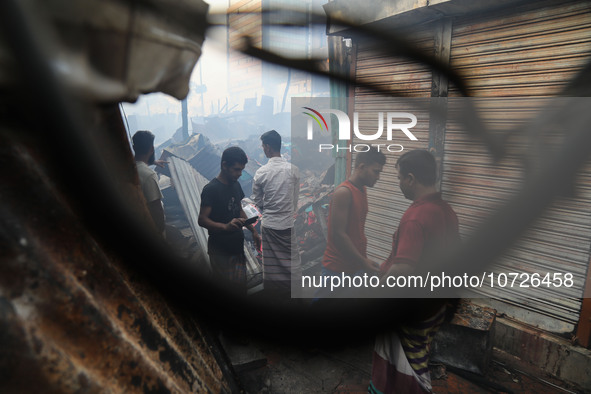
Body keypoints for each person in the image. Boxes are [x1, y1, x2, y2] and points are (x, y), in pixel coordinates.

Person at [370, 149, 460, 394]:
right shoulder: (446, 210)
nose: (399, 184)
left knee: (411, 369)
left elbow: (403, 270)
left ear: (411, 178)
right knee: (417, 358)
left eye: (400, 178)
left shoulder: (415, 217)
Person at [317, 147, 386, 297]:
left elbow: (355, 231)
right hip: (337, 269)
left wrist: (363, 261)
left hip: (355, 267)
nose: (378, 177)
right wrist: (363, 261)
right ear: (361, 167)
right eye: (376, 171)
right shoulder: (344, 192)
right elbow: (338, 234)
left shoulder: (361, 189)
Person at [198, 146, 262, 293]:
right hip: (221, 252)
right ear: (224, 165)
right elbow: (202, 220)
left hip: (237, 249)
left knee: (240, 288)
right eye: (236, 169)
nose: (240, 174)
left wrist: (253, 232)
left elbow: (239, 210)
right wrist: (225, 227)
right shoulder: (211, 189)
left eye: (241, 169)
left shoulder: (235, 184)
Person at [251, 130, 300, 299]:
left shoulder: (261, 173)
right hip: (287, 224)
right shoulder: (293, 170)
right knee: (291, 262)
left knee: (272, 268)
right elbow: (294, 200)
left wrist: (270, 207)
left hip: (270, 225)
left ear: (268, 148)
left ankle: (275, 298)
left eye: (263, 146)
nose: (263, 149)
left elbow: (258, 202)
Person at [132, 130, 166, 236]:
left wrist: (151, 162)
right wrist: (161, 231)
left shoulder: (124, 167)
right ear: (152, 149)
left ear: (133, 148)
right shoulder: (149, 175)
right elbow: (156, 207)